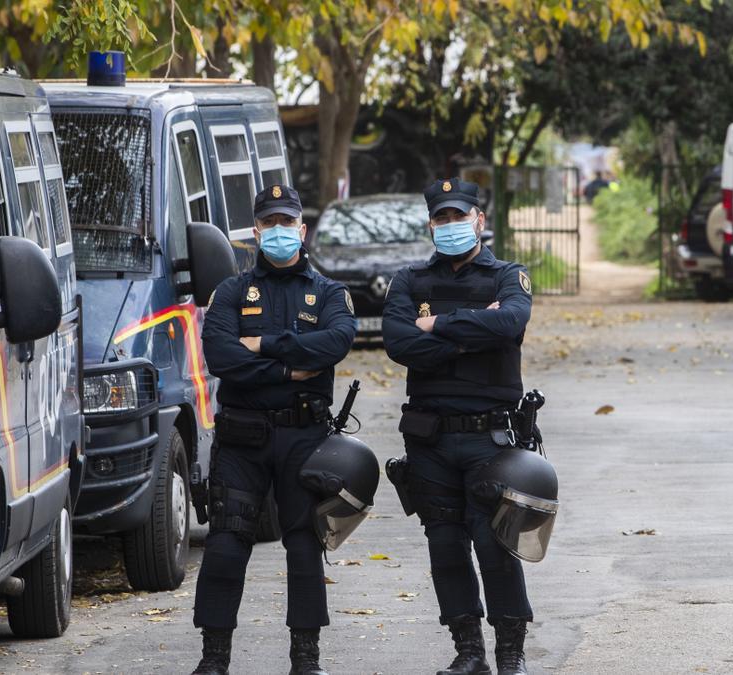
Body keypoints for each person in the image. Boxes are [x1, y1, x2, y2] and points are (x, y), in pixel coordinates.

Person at [191, 184, 356, 675]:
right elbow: (221, 356)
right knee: (225, 542)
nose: (280, 232)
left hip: (304, 437)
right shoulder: (231, 292)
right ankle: (214, 658)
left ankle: (306, 658)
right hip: (243, 438)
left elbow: (335, 342)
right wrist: (286, 369)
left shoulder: (328, 292)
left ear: (302, 231)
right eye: (271, 224)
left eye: (289, 223)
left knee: (304, 544)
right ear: (256, 232)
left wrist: (260, 344)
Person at [382, 177, 536, 675]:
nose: (450, 225)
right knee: (445, 546)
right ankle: (468, 651)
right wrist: (473, 332)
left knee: (495, 544)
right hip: (430, 437)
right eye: (441, 218)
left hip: (490, 436)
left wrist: (435, 325)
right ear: (430, 223)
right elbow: (400, 344)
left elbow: (509, 323)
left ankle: (511, 652)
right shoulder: (409, 281)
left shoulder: (508, 275)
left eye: (459, 216)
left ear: (479, 220)